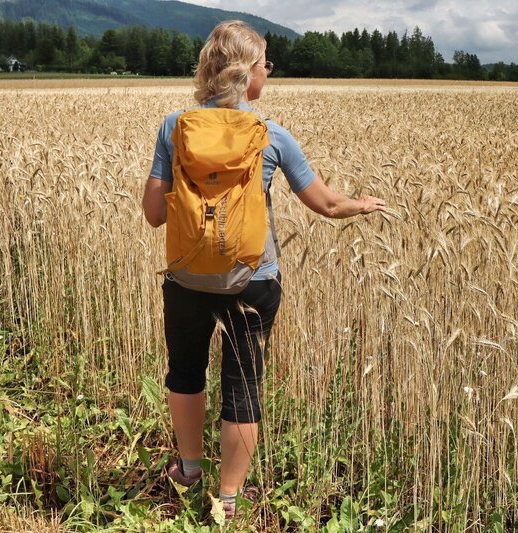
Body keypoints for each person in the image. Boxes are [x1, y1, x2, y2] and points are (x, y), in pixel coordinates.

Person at [140, 20, 386, 519]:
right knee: (243, 384)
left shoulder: (174, 127)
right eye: (265, 63)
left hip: (186, 277)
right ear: (247, 71)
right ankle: (229, 501)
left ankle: (189, 471)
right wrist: (361, 204)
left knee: (185, 371)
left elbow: (154, 213)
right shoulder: (271, 135)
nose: (268, 72)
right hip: (253, 280)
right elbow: (326, 204)